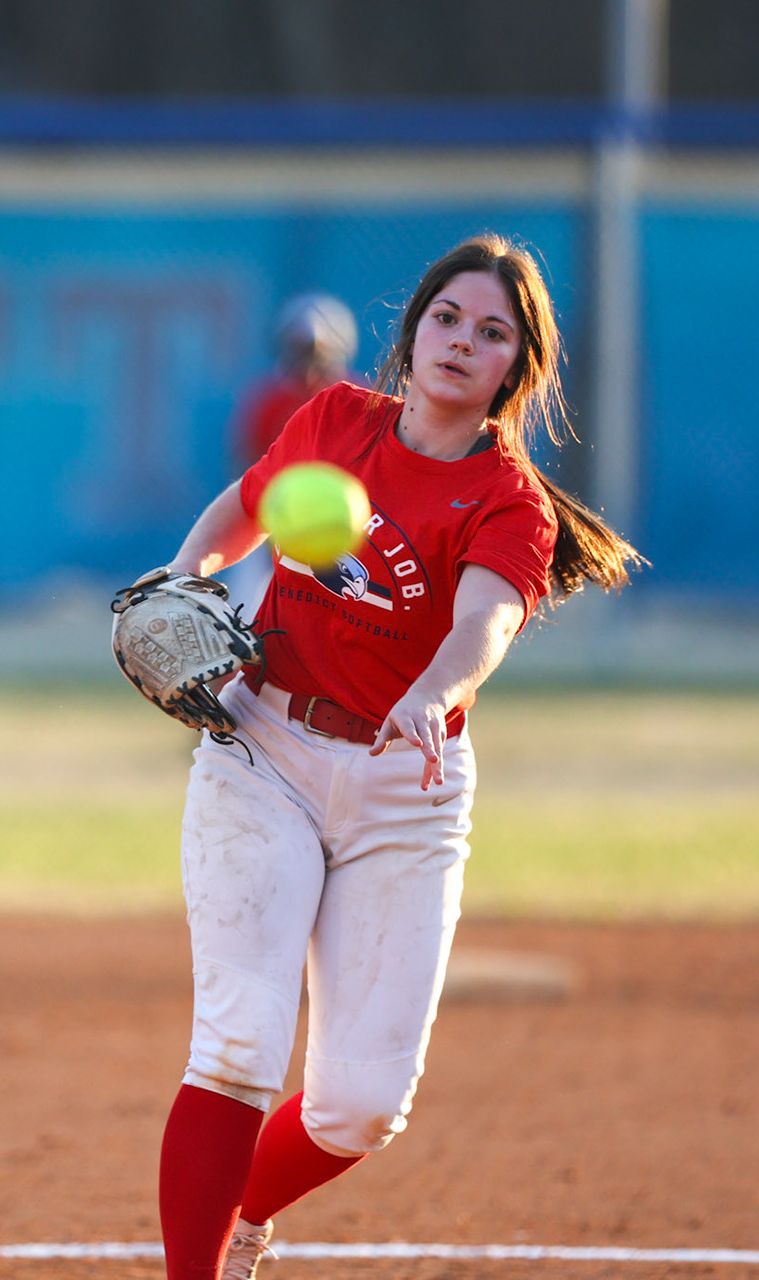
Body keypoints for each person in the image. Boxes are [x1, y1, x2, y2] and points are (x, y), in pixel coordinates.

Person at [146, 235, 641, 1280]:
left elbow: (486, 620)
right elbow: (248, 505)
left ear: (519, 367)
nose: (463, 341)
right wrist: (185, 575)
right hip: (264, 747)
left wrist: (437, 692)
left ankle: (242, 1211)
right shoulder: (332, 422)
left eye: (492, 332)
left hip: (402, 789)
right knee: (239, 1043)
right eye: (449, 318)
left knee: (361, 1104)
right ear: (412, 328)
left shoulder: (510, 500)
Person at [220, 294, 361, 615]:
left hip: (338, 527)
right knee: (242, 610)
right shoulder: (270, 399)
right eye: (302, 350)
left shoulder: (355, 399)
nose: (310, 362)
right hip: (271, 521)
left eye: (318, 351)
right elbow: (245, 462)